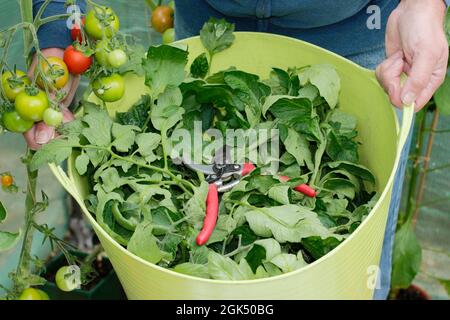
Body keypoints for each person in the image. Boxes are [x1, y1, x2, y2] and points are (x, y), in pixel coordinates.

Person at [28, 0, 449, 299]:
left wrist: (426, 4)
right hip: (210, 25)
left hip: (360, 36)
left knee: (355, 269)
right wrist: (55, 36)